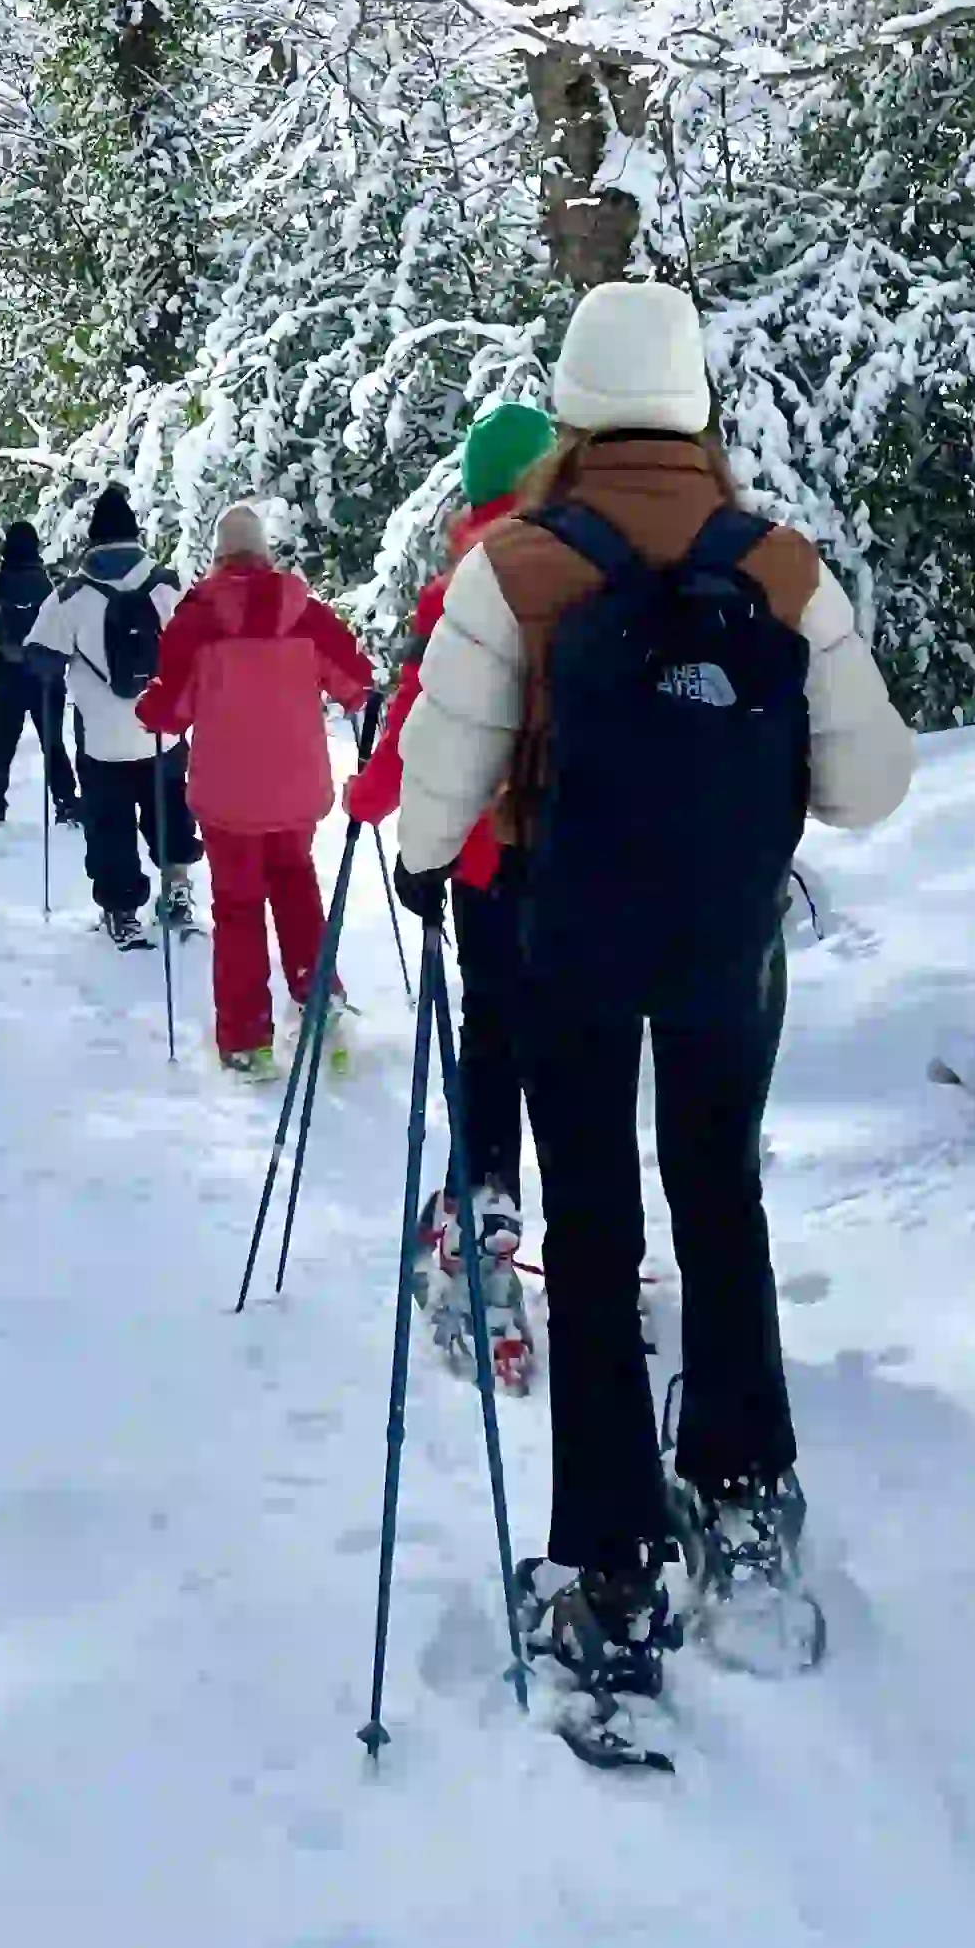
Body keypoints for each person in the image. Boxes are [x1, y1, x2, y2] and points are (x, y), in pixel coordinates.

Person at [394, 282, 914, 1724]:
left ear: (571, 409)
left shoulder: (517, 565)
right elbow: (873, 784)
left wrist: (426, 867)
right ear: (696, 407)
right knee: (720, 1203)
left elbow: (438, 797)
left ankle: (612, 1573)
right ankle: (745, 1504)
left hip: (572, 943)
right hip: (725, 948)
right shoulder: (782, 567)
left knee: (596, 1233)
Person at [345, 398, 554, 1377]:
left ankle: (486, 1197)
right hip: (588, 856)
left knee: (495, 1031)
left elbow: (418, 737)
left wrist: (367, 799)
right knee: (571, 1039)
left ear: (472, 493)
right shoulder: (594, 571)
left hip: (482, 859)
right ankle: (575, 1225)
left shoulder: (459, 593)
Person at [139, 503, 373, 1071]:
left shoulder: (198, 619)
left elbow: (169, 713)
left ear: (219, 558)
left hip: (227, 800)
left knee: (239, 909)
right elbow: (358, 684)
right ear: (264, 556)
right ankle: (321, 1006)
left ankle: (246, 1042)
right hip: (296, 794)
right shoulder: (305, 613)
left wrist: (150, 703)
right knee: (297, 892)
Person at [31, 485, 194, 949]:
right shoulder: (166, 585)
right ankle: (177, 886)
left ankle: (122, 911)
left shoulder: (72, 595)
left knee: (110, 823)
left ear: (93, 539)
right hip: (163, 734)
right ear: (135, 537)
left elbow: (41, 658)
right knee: (170, 809)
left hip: (101, 739)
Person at [0, 519, 74, 833]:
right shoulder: (51, 584)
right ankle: (67, 806)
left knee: (1, 746)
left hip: (9, 677)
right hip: (47, 680)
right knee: (54, 745)